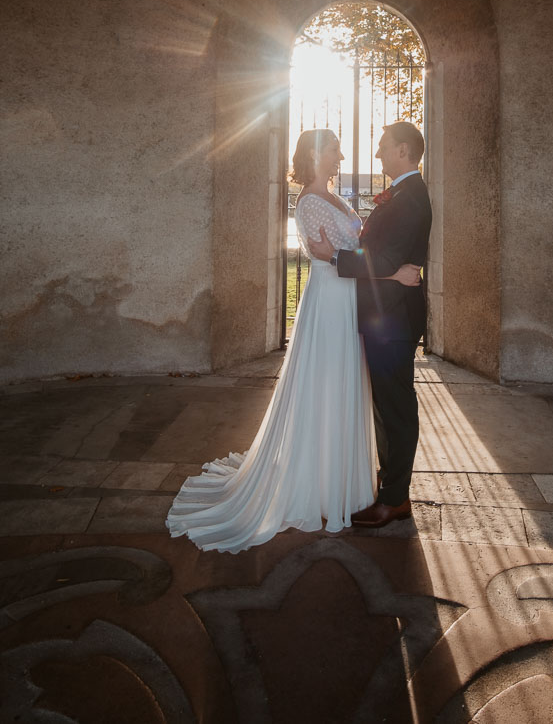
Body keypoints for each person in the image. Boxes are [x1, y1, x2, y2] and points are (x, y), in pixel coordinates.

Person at [165, 128, 422, 553]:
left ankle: (341, 478)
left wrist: (370, 258)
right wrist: (392, 273)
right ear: (316, 154)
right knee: (325, 387)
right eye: (336, 149)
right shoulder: (308, 203)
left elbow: (354, 251)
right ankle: (318, 484)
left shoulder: (334, 198)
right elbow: (332, 258)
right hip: (329, 305)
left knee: (344, 387)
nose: (342, 155)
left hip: (349, 302)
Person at [307, 120, 432, 527]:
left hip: (393, 318)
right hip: (387, 313)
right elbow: (380, 251)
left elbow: (380, 260)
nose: (377, 154)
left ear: (402, 151)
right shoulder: (402, 194)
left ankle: (395, 498)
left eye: (382, 147)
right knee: (386, 405)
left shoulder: (410, 199)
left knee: (395, 407)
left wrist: (333, 257)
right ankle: (390, 483)